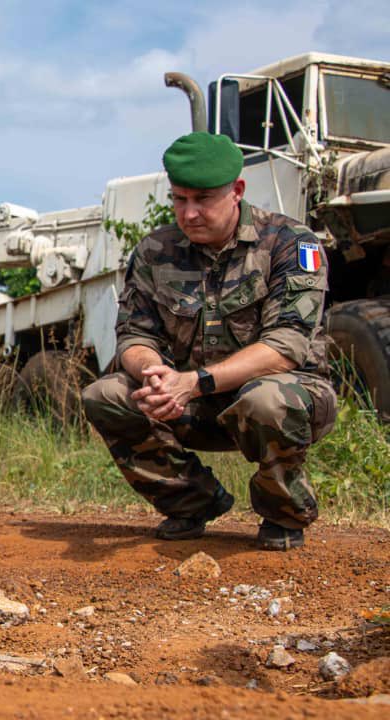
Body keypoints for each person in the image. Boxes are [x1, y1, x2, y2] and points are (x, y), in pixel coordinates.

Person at [81, 132, 336, 551]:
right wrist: (154, 374)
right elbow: (133, 334)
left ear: (237, 191)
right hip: (191, 402)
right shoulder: (155, 251)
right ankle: (191, 502)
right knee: (105, 394)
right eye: (179, 199)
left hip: (282, 399)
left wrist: (194, 382)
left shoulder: (290, 243)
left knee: (266, 400)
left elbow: (285, 346)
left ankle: (283, 512)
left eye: (203, 199)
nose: (190, 213)